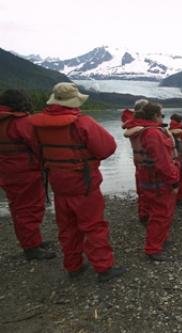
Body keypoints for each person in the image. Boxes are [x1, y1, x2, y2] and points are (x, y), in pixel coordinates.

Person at [30, 82, 126, 282]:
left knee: (67, 227)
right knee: (94, 226)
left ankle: (73, 266)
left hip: (58, 183)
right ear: (73, 102)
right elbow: (107, 148)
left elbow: (36, 152)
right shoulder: (82, 122)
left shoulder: (36, 124)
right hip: (84, 184)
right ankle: (103, 269)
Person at [0, 89, 55, 260]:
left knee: (18, 207)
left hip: (7, 172)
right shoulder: (23, 122)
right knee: (29, 209)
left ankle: (33, 241)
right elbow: (38, 147)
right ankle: (31, 247)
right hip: (26, 173)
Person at [123, 103, 180, 261]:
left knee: (159, 213)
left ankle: (160, 240)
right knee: (161, 214)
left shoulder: (146, 131)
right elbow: (162, 161)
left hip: (150, 180)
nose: (161, 117)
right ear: (155, 115)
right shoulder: (153, 133)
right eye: (161, 114)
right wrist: (174, 181)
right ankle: (153, 249)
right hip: (159, 182)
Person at [121, 99, 149, 225]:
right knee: (146, 187)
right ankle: (145, 214)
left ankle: (144, 213)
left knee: (142, 186)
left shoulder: (135, 123)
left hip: (139, 158)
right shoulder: (137, 125)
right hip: (145, 159)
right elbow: (127, 133)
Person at [169, 113, 182, 206]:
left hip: (172, 160)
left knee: (175, 180)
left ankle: (174, 198)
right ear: (180, 121)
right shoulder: (181, 131)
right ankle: (179, 198)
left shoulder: (168, 131)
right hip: (181, 159)